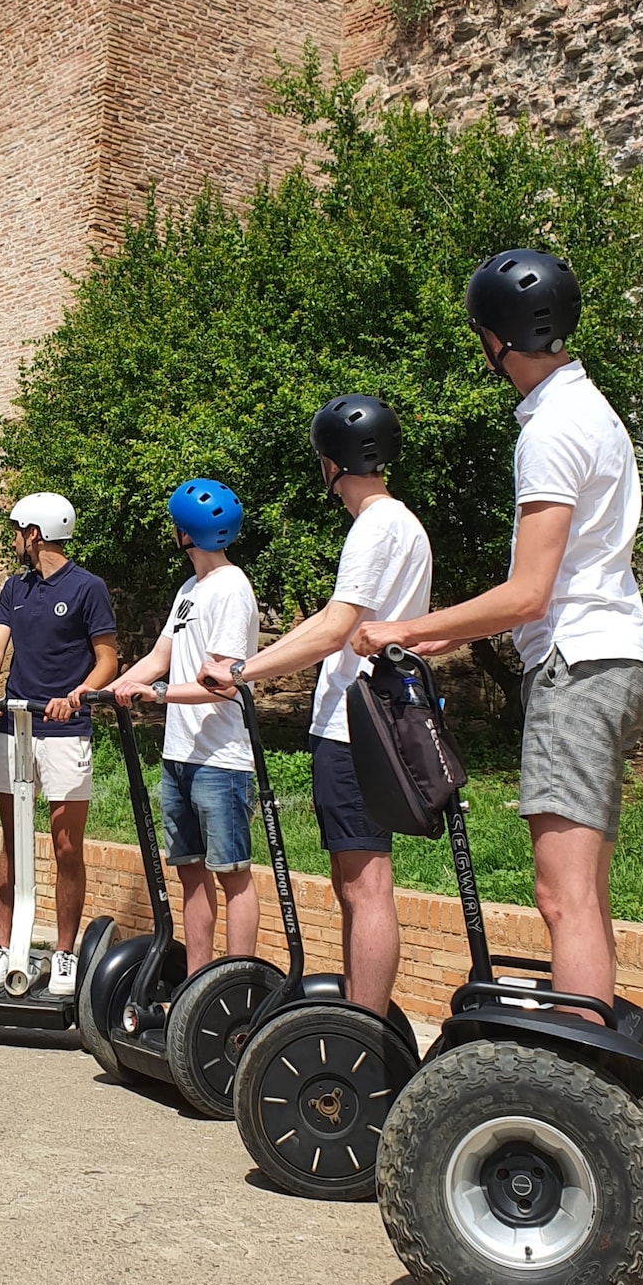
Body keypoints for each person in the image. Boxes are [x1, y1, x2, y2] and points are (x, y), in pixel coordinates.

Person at [353, 250, 643, 1018]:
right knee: (581, 890)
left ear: (494, 338)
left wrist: (411, 628)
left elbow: (528, 595)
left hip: (576, 662)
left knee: (562, 894)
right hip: (610, 653)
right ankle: (588, 1061)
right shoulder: (591, 411)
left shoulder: (552, 428)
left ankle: (577, 1079)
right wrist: (442, 639)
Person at [198, 399, 431, 1017]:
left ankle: (365, 1028)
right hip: (375, 720)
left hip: (356, 725)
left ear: (330, 463)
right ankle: (364, 1016)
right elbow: (344, 623)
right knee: (358, 883)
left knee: (364, 885)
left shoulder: (373, 527)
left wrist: (243, 671)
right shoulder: (404, 524)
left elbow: (335, 628)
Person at [98, 478, 260, 975]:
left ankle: (235, 987)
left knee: (232, 875)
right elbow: (160, 656)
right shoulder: (190, 589)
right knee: (190, 873)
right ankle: (196, 984)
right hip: (180, 755)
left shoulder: (233, 588)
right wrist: (109, 690)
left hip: (221, 759)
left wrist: (160, 693)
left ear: (186, 534)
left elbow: (225, 681)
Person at [0, 493, 118, 996]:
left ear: (34, 534)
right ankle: (3, 946)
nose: (13, 539)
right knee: (12, 841)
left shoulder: (87, 588)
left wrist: (75, 697)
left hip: (64, 729)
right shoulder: (16, 587)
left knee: (65, 844)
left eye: (17, 530)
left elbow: (106, 660)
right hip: (15, 725)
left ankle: (64, 954)